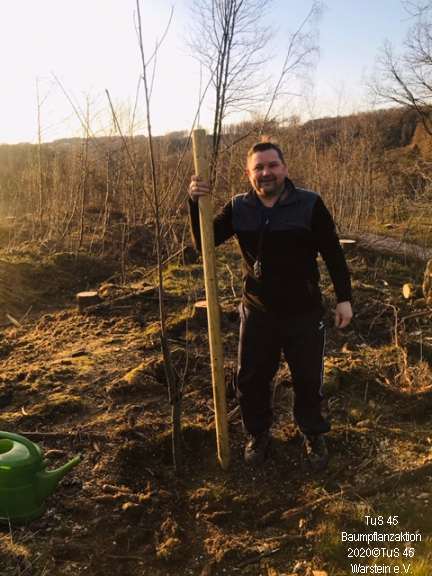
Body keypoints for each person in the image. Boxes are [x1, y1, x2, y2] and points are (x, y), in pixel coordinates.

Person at [188, 141, 352, 468]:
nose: (266, 173)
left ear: (284, 168)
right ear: (248, 174)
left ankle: (312, 433)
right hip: (257, 311)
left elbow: (333, 253)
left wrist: (344, 299)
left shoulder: (309, 204)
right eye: (258, 167)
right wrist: (195, 203)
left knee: (308, 379)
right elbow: (203, 242)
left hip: (304, 311)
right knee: (251, 380)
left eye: (272, 165)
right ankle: (258, 433)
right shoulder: (238, 207)